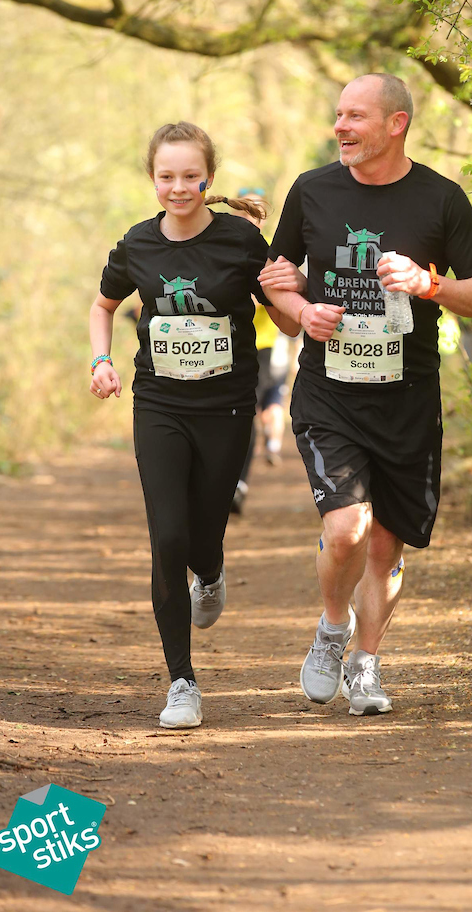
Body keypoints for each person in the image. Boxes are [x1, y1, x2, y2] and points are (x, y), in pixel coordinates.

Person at [259, 73, 472, 716]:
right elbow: (276, 285)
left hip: (408, 394)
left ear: (396, 124)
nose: (340, 126)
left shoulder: (441, 199)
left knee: (387, 546)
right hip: (329, 390)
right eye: (337, 114)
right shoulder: (311, 191)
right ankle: (331, 630)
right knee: (346, 530)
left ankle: (365, 663)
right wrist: (299, 310)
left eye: (355, 116)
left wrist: (429, 284)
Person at [88, 122, 300, 729]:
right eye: (166, 177)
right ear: (152, 179)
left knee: (205, 535)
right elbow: (103, 306)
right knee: (167, 536)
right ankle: (182, 681)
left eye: (189, 176)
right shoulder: (137, 244)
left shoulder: (240, 240)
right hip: (159, 402)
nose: (177, 187)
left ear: (207, 178)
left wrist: (300, 310)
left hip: (229, 405)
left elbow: (278, 311)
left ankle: (210, 572)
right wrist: (102, 360)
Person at [229, 189, 300, 513]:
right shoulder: (219, 247)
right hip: (222, 348)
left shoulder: (267, 253)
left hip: (263, 347)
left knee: (249, 413)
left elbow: (280, 300)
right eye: (241, 213)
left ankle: (239, 484)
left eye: (252, 214)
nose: (246, 219)